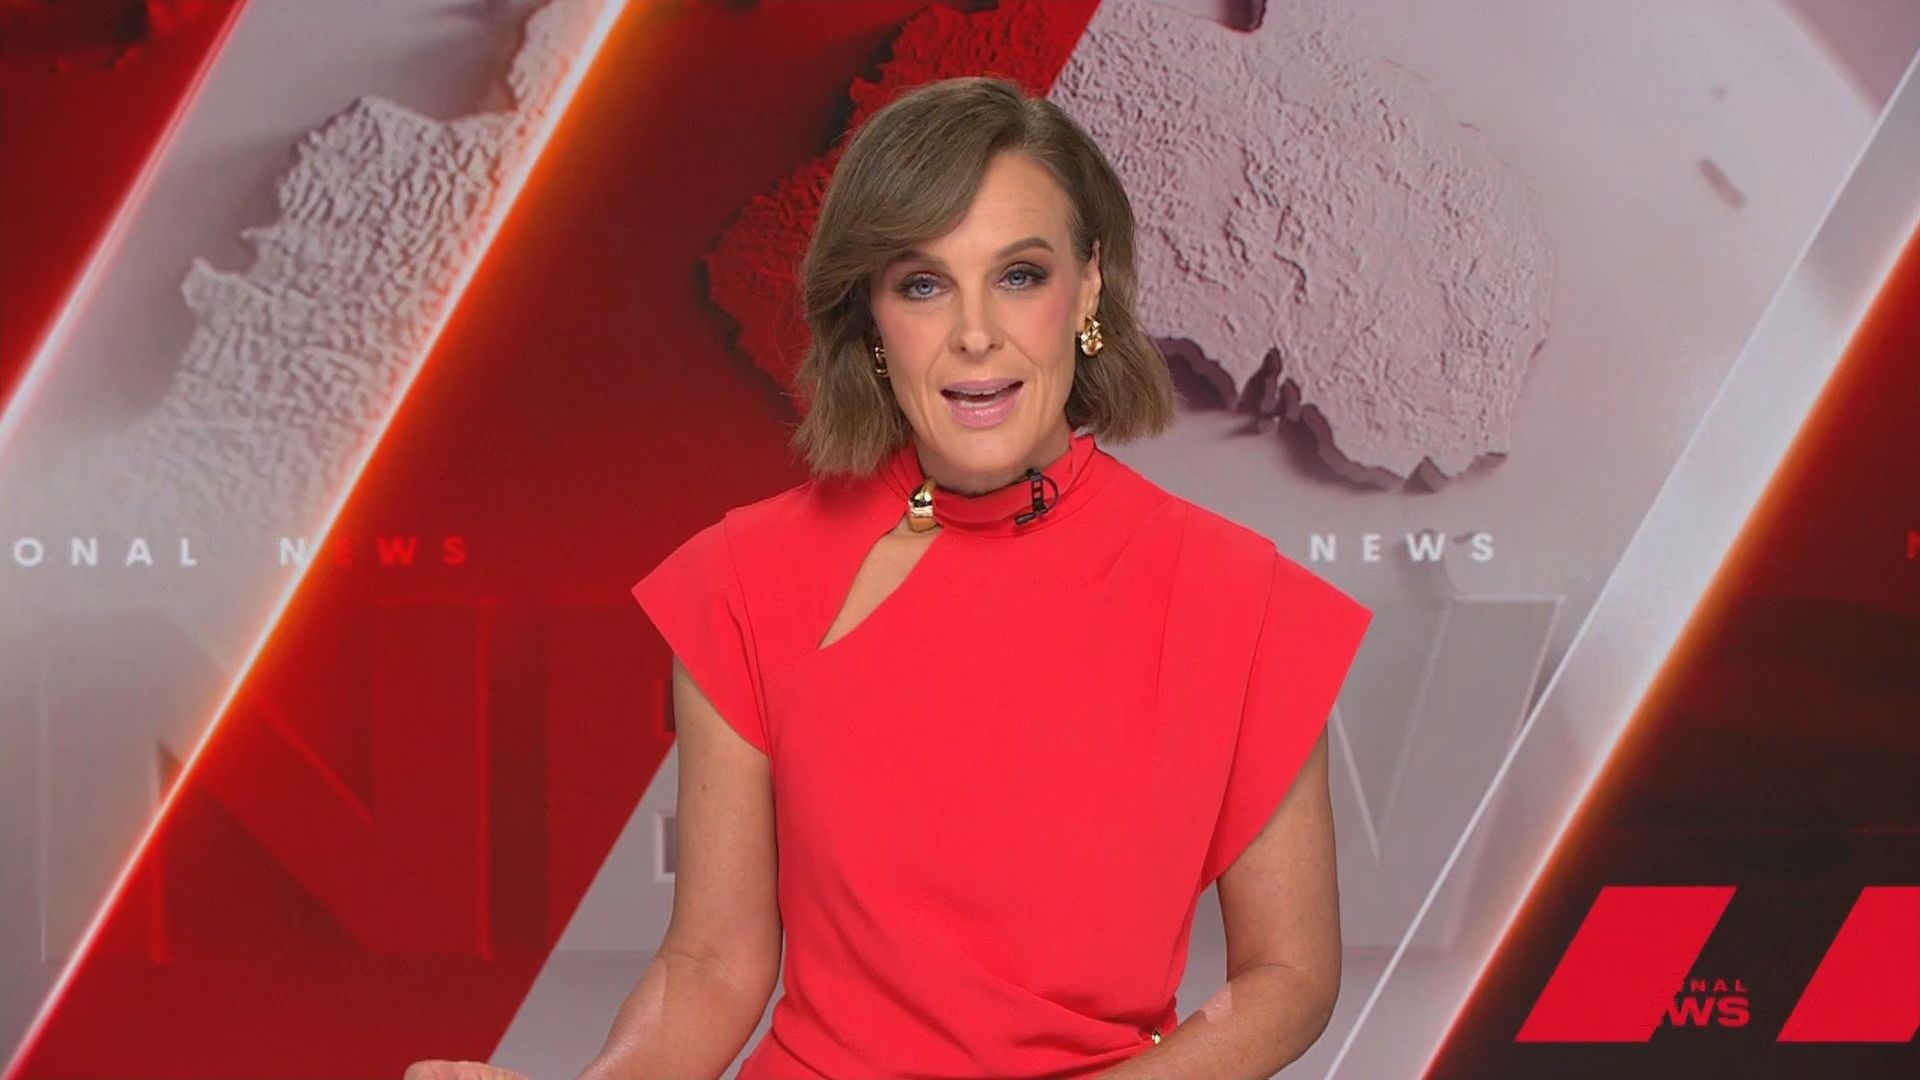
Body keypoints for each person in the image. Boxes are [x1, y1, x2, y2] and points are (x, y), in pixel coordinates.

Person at [410, 73, 1370, 1080]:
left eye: (1019, 275)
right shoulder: (747, 577)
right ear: (869, 314)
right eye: (922, 283)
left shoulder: (1238, 597)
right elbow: (711, 966)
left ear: (1089, 286)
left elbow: (1289, 977)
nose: (974, 333)